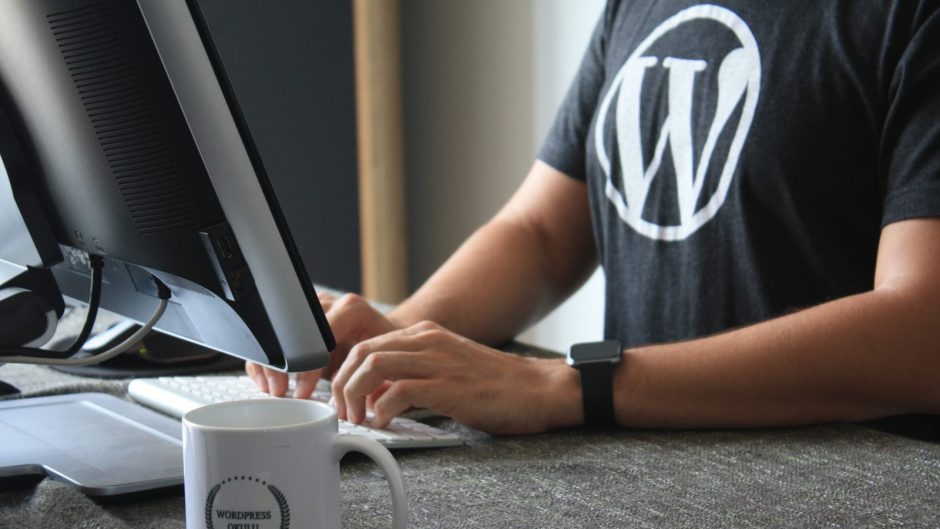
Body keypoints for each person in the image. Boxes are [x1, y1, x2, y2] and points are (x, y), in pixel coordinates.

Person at [248, 0, 940, 434]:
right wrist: (401, 339)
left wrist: (568, 385)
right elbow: (543, 234)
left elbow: (923, 331)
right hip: (647, 477)